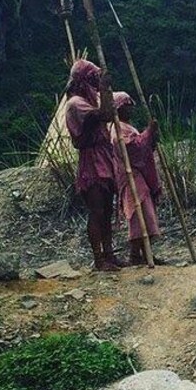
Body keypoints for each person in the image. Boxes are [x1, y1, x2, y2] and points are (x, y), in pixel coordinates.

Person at [64, 59, 122, 271]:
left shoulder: (90, 100)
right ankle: (99, 260)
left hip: (103, 158)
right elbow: (105, 115)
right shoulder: (76, 104)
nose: (96, 83)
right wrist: (106, 89)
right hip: (92, 162)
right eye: (94, 79)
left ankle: (109, 254)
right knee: (97, 210)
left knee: (107, 210)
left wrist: (105, 91)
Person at [110, 92, 163, 265]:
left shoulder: (127, 127)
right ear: (119, 108)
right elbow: (133, 149)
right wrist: (148, 133)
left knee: (145, 212)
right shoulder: (117, 129)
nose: (130, 109)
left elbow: (143, 147)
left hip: (138, 175)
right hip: (130, 175)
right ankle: (136, 254)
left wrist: (151, 138)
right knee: (138, 212)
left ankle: (144, 252)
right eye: (127, 106)